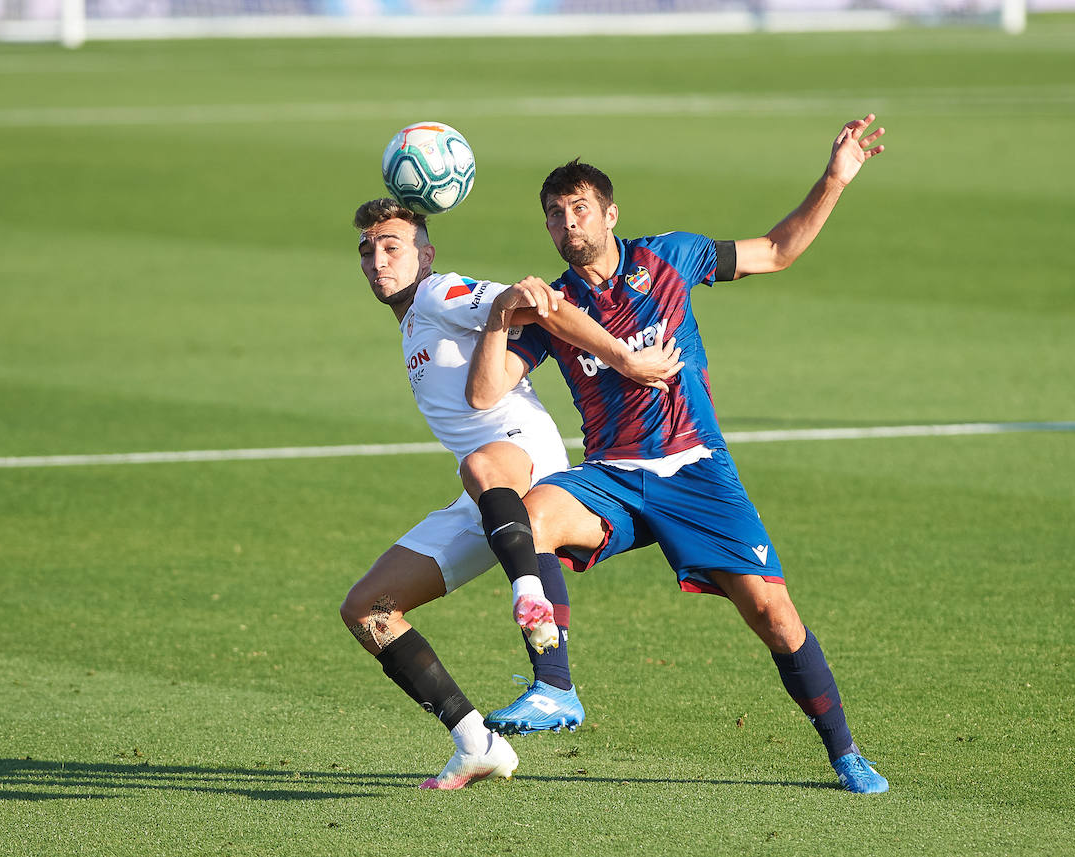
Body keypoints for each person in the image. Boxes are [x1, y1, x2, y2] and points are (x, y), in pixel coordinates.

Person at [467, 116, 891, 793]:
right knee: (529, 519)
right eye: (554, 215)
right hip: (613, 477)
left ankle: (843, 751)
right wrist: (499, 316)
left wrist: (834, 179)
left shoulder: (672, 256)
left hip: (697, 470)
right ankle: (554, 686)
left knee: (774, 617)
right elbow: (486, 390)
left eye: (579, 208)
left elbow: (778, 250)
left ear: (609, 213)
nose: (568, 222)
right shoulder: (552, 307)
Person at [340, 197, 681, 790]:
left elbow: (537, 303)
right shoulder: (413, 320)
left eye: (392, 247)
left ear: (426, 252)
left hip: (519, 454)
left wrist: (624, 358)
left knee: (478, 464)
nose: (377, 260)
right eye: (368, 250)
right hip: (486, 495)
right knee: (368, 609)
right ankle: (476, 742)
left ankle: (531, 595)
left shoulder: (437, 291)